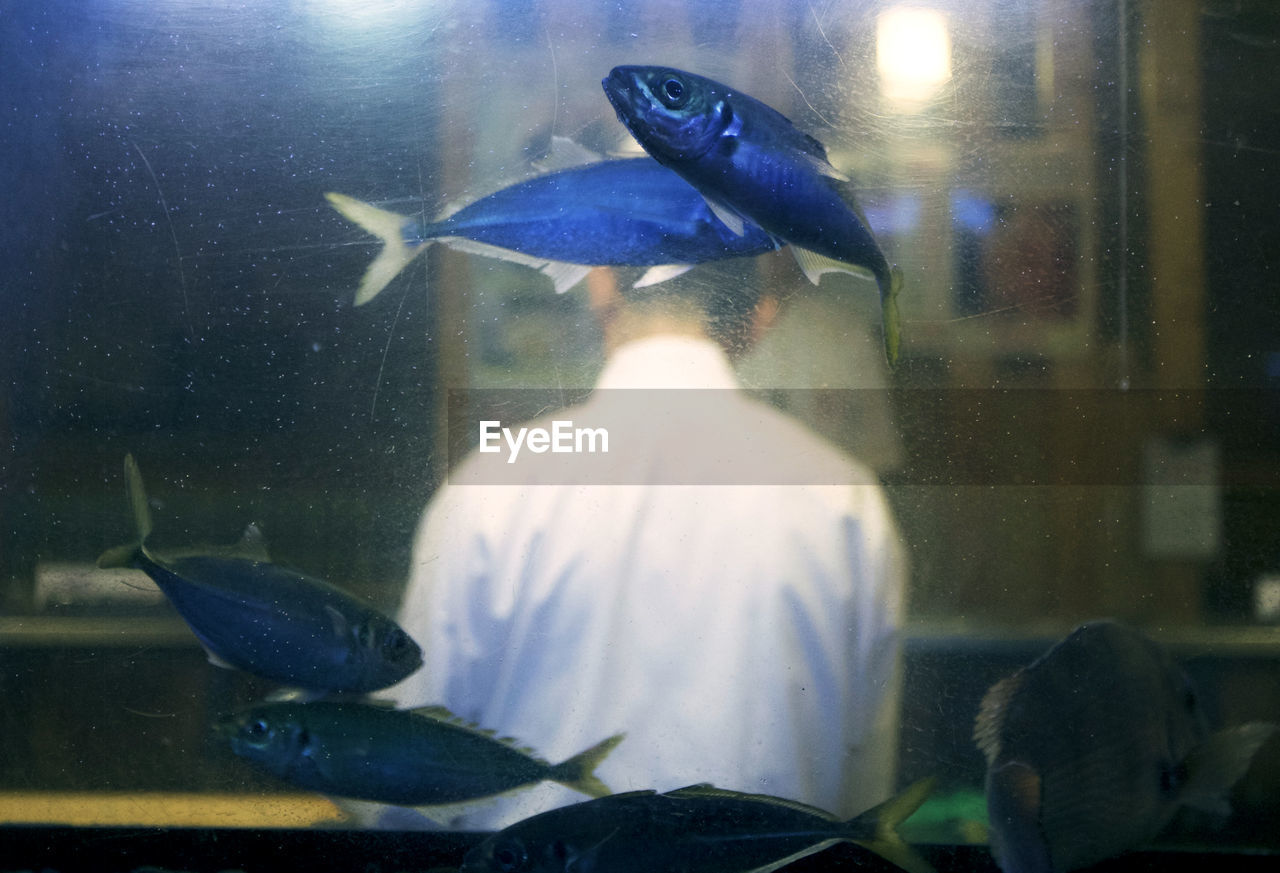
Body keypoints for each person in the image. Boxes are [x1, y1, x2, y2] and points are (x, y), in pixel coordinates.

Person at [380, 262, 907, 830]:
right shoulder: (845, 500)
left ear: (599, 284)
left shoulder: (492, 485)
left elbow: (409, 777)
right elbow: (863, 796)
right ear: (761, 314)